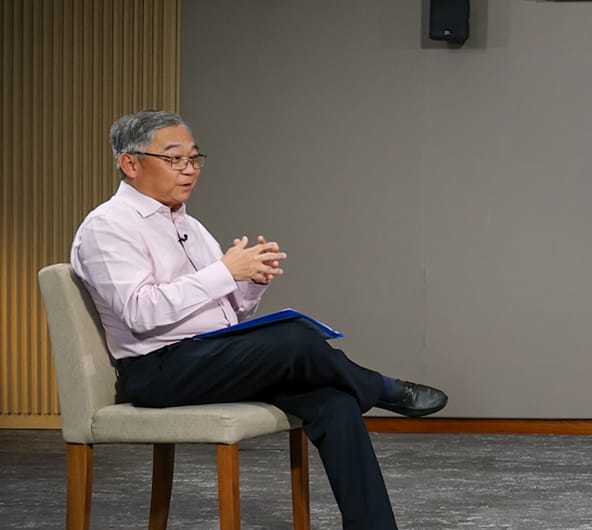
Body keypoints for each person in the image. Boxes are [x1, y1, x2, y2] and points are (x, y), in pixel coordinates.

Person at [70, 110, 450, 530]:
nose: (189, 170)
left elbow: (227, 314)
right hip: (158, 370)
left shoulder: (189, 225)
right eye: (175, 159)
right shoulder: (107, 227)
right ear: (130, 163)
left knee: (335, 402)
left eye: (195, 159)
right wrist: (224, 272)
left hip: (210, 357)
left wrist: (249, 284)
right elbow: (140, 313)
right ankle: (380, 387)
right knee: (295, 337)